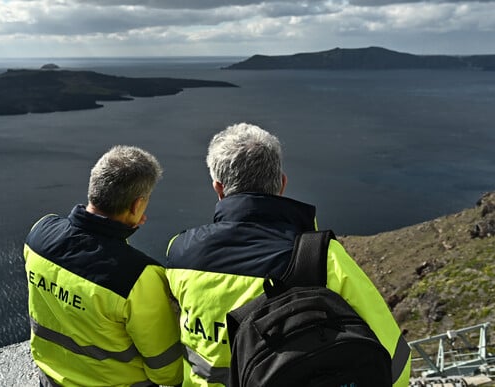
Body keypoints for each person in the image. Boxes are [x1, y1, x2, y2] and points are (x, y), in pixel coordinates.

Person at [165, 123, 411, 387]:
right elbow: (393, 357)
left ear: (219, 188)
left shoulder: (179, 253)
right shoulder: (319, 258)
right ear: (282, 183)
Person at [24, 145, 183, 387]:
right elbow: (168, 372)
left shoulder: (39, 235)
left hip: (51, 379)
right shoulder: (139, 277)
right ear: (136, 205)